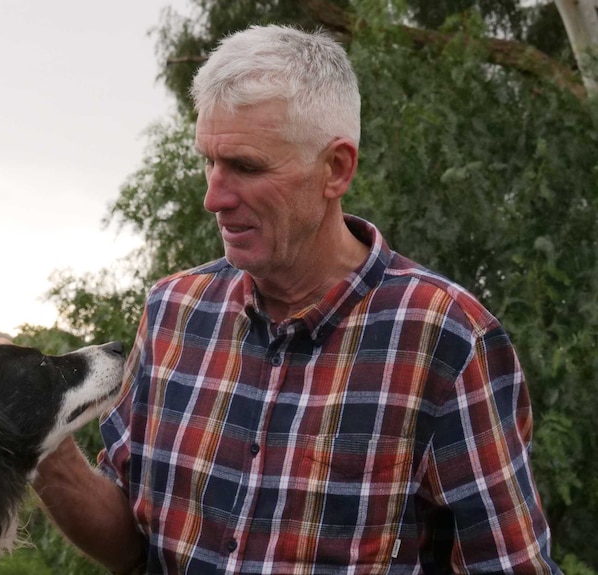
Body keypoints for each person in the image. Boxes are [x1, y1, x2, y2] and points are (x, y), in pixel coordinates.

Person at [32, 25, 560, 574]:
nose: (213, 197)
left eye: (246, 167)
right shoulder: (172, 311)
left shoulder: (447, 341)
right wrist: (39, 434)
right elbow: (132, 544)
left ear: (336, 168)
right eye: (209, 161)